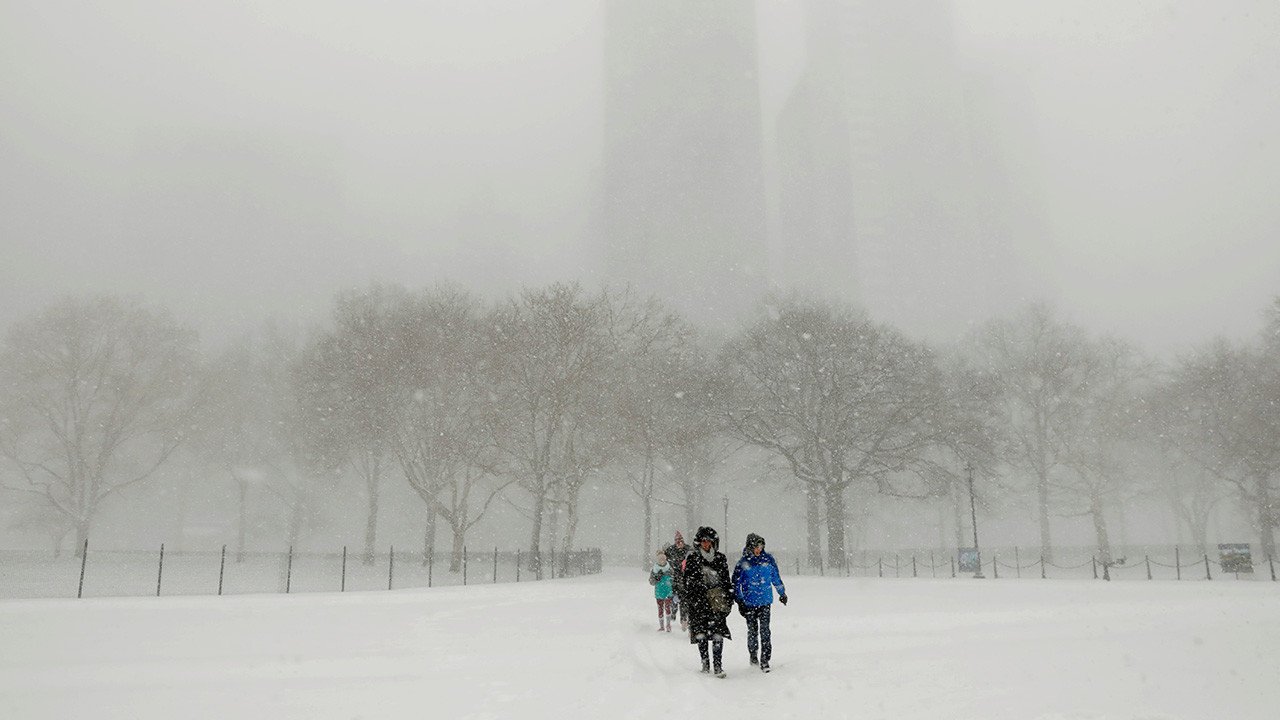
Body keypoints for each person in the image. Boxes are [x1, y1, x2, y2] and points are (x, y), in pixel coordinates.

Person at [681, 526, 733, 677]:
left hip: (716, 602)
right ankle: (705, 663)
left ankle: (718, 666)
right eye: (703, 541)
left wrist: (728, 597)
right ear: (699, 542)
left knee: (718, 633)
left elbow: (726, 580)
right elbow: (687, 581)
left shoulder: (720, 558)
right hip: (698, 602)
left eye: (709, 541)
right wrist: (695, 593)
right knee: (701, 634)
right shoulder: (692, 559)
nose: (706, 543)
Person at [731, 532, 787, 673]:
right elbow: (736, 583)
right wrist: (740, 600)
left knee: (765, 631)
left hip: (765, 602)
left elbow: (775, 577)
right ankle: (753, 655)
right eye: (756, 546)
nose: (758, 549)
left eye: (761, 546)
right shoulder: (743, 563)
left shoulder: (768, 560)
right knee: (752, 631)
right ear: (750, 547)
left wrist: (782, 593)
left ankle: (765, 660)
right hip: (749, 603)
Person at [662, 531, 691, 631]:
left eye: (681, 540)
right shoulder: (671, 549)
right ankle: (673, 613)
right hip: (673, 578)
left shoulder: (688, 549)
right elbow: (664, 556)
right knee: (673, 599)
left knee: (684, 601)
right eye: (677, 540)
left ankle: (684, 619)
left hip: (684, 578)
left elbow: (694, 554)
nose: (679, 542)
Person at [649, 551, 675, 632]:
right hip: (659, 591)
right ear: (657, 560)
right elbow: (651, 582)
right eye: (660, 559)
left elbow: (674, 579)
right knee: (660, 609)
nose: (662, 560)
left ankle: (668, 625)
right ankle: (661, 626)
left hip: (668, 591)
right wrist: (656, 578)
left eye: (663, 559)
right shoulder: (654, 570)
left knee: (668, 608)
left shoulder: (669, 568)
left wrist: (673, 584)